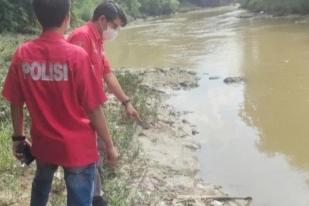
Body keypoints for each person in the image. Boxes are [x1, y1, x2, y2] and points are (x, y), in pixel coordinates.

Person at [1, 0, 118, 206]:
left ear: (38, 18)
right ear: (67, 18)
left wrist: (18, 138)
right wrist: (109, 145)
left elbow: (15, 102)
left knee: (41, 185)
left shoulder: (22, 54)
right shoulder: (77, 56)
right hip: (78, 148)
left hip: (45, 144)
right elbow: (93, 108)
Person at [67, 1, 141, 205]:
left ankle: (96, 195)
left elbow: (107, 74)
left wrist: (126, 102)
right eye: (115, 26)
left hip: (93, 109)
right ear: (102, 20)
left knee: (96, 153)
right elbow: (74, 84)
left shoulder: (97, 39)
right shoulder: (81, 37)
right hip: (81, 113)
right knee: (88, 158)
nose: (115, 31)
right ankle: (93, 197)